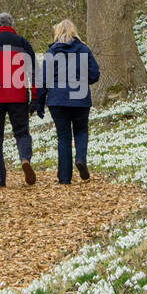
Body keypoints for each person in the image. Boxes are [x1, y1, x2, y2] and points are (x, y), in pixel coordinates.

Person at [36, 19, 99, 184]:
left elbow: (43, 80)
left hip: (57, 99)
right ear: (74, 31)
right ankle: (81, 159)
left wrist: (39, 102)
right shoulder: (84, 50)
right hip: (80, 98)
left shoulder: (51, 52)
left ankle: (64, 177)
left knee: (63, 136)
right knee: (81, 131)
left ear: (57, 32)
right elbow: (94, 75)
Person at [0, 12, 37, 187]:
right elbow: (34, 72)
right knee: (22, 133)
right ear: (11, 25)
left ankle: (0, 179)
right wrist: (35, 98)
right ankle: (24, 159)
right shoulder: (23, 43)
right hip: (18, 96)